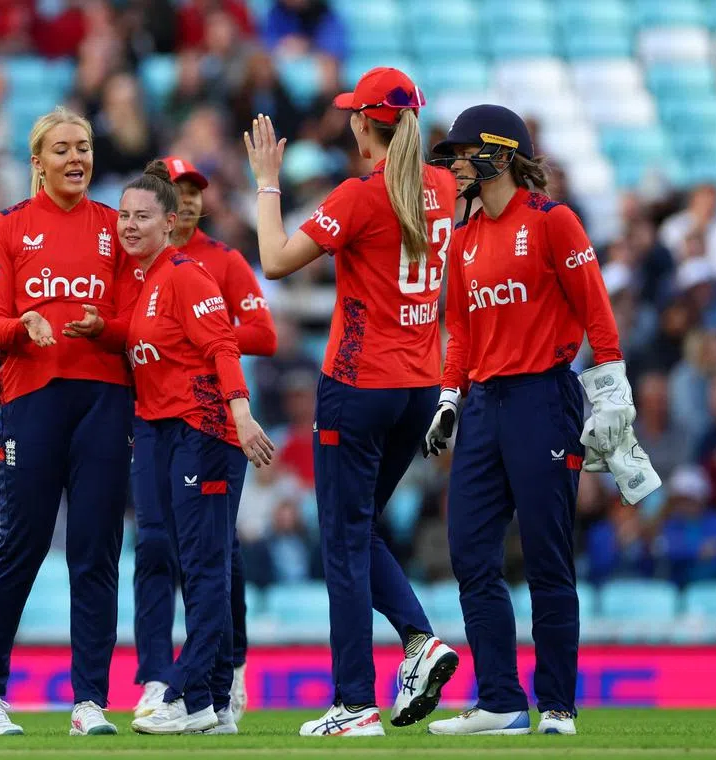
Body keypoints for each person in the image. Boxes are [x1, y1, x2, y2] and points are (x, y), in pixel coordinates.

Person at [243, 66, 461, 737]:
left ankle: (354, 701)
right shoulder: (445, 187)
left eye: (353, 116)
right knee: (357, 526)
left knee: (341, 539)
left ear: (366, 124)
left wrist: (267, 184)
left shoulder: (361, 195)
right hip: (420, 387)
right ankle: (420, 641)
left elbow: (276, 259)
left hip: (359, 384)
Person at [423, 104, 632, 737]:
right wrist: (449, 398)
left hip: (545, 398)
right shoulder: (461, 239)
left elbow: (595, 308)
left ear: (498, 154)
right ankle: (501, 702)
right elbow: (459, 329)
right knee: (469, 551)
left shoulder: (553, 221)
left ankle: (558, 707)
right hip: (484, 405)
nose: (455, 164)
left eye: (464, 153)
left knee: (546, 557)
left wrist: (613, 392)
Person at [0, 106, 141, 737]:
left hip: (105, 400)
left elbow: (137, 324)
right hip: (32, 399)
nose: (75, 159)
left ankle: (90, 700)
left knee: (96, 553)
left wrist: (104, 328)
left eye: (83, 147)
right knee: (23, 547)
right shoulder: (3, 230)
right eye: (61, 149)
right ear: (37, 161)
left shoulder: (118, 229)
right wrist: (23, 327)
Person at [120, 161, 275, 735]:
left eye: (143, 217)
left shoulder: (187, 275)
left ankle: (189, 696)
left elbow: (223, 346)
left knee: (206, 566)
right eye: (124, 216)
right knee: (192, 560)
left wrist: (240, 413)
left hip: (203, 431)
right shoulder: (145, 279)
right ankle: (210, 703)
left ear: (169, 223)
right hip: (163, 430)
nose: (130, 225)